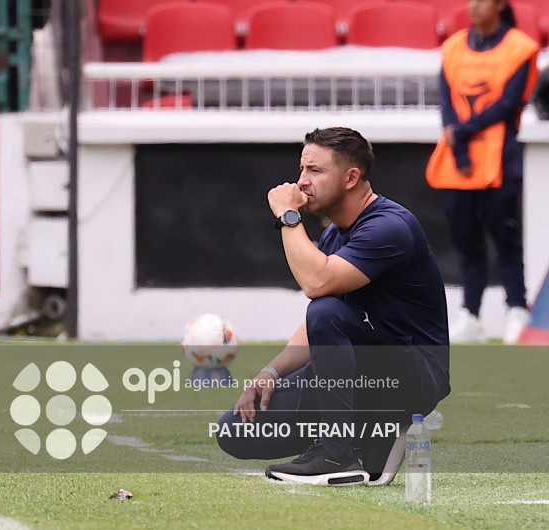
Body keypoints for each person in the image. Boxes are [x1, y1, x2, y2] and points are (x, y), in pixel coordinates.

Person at [216, 128, 451, 486]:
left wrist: (289, 217)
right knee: (235, 430)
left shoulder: (389, 226)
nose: (302, 182)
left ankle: (335, 453)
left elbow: (317, 286)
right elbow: (321, 328)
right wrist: (271, 372)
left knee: (324, 309)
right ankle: (373, 437)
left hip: (414, 376)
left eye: (315, 171)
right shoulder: (332, 234)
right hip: (361, 373)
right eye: (302, 169)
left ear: (351, 178)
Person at [426, 0, 539, 344]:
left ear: (500, 4)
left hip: (499, 158)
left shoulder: (520, 48)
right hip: (458, 161)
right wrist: (457, 141)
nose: (473, 6)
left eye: (482, 0)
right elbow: (447, 101)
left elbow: (509, 104)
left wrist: (462, 131)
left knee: (505, 238)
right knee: (466, 238)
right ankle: (471, 313)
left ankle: (516, 309)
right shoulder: (453, 47)